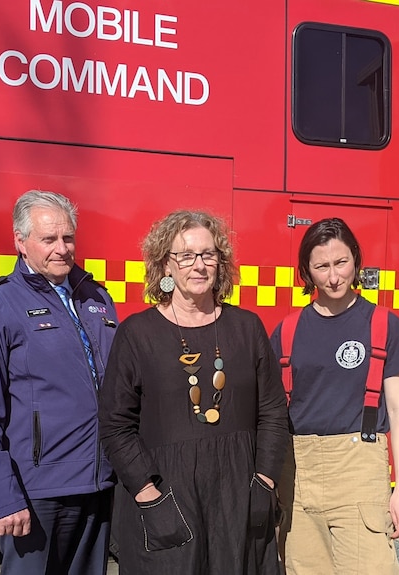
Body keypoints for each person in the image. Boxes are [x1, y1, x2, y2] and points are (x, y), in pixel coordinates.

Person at [98, 210, 289, 575]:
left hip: (239, 495)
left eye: (208, 254)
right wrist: (146, 493)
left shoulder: (247, 328)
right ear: (165, 266)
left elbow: (273, 411)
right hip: (166, 493)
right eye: (185, 255)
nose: (198, 265)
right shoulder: (136, 334)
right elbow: (115, 424)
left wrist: (264, 480)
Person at [0, 190, 119, 575]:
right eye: (48, 239)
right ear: (20, 241)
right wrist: (5, 497)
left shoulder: (96, 297)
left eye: (68, 238)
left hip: (97, 483)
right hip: (38, 492)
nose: (61, 249)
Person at [272, 217, 399, 575]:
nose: (333, 276)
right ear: (307, 271)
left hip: (359, 468)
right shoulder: (288, 329)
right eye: (321, 266)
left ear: (355, 260)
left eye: (341, 263)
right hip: (297, 472)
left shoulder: (383, 324)